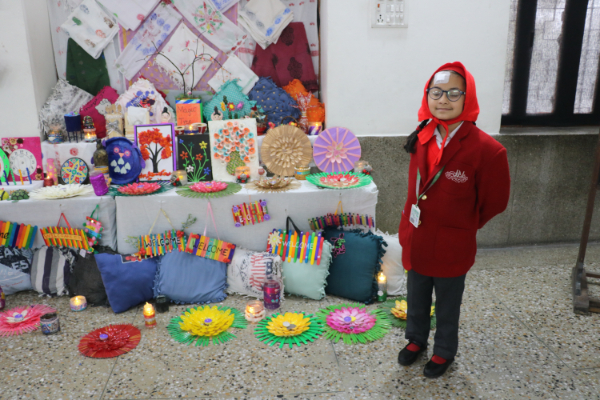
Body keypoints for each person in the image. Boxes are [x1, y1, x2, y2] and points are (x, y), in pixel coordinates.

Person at [397, 62, 510, 378]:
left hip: (452, 243)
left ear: (467, 97)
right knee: (416, 294)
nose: (443, 100)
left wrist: (462, 224)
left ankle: (444, 350)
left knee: (447, 302)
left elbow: (495, 203)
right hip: (417, 235)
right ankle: (416, 339)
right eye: (436, 92)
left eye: (453, 93)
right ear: (427, 95)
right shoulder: (422, 135)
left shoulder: (488, 150)